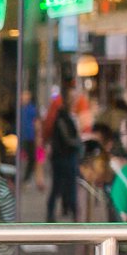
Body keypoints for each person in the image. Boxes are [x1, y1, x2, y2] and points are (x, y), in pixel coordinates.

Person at [44, 91, 82, 221]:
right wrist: (79, 144)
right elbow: (68, 139)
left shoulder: (63, 116)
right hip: (64, 156)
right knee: (65, 186)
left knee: (60, 187)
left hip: (60, 156)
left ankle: (64, 211)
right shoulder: (62, 117)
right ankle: (72, 212)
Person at [16, 90, 38, 185]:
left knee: (31, 158)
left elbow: (36, 122)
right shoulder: (19, 108)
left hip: (29, 137)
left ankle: (26, 178)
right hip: (20, 136)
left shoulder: (31, 108)